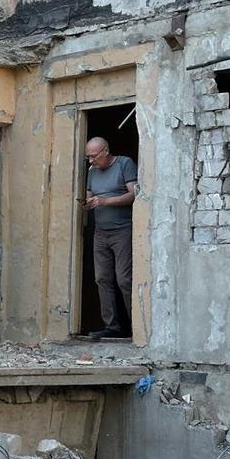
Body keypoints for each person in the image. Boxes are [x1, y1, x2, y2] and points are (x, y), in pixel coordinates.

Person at [83, 137, 137, 339]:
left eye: (94, 156)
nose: (91, 161)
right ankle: (111, 326)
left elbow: (134, 194)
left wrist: (106, 201)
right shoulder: (92, 171)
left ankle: (136, 327)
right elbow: (90, 196)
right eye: (88, 157)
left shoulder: (124, 164)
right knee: (102, 278)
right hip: (100, 232)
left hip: (122, 230)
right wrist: (88, 203)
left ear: (106, 151)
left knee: (124, 279)